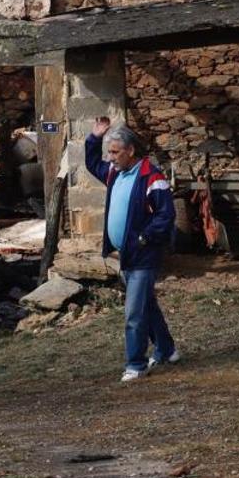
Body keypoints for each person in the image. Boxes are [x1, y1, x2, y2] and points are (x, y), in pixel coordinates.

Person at [86, 116, 180, 382]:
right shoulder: (114, 172)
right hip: (125, 255)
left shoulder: (152, 177)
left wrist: (144, 238)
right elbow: (92, 164)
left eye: (115, 152)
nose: (110, 158)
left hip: (143, 255)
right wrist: (94, 138)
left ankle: (136, 365)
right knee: (146, 305)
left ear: (130, 150)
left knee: (134, 313)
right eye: (109, 152)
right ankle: (167, 350)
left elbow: (166, 215)